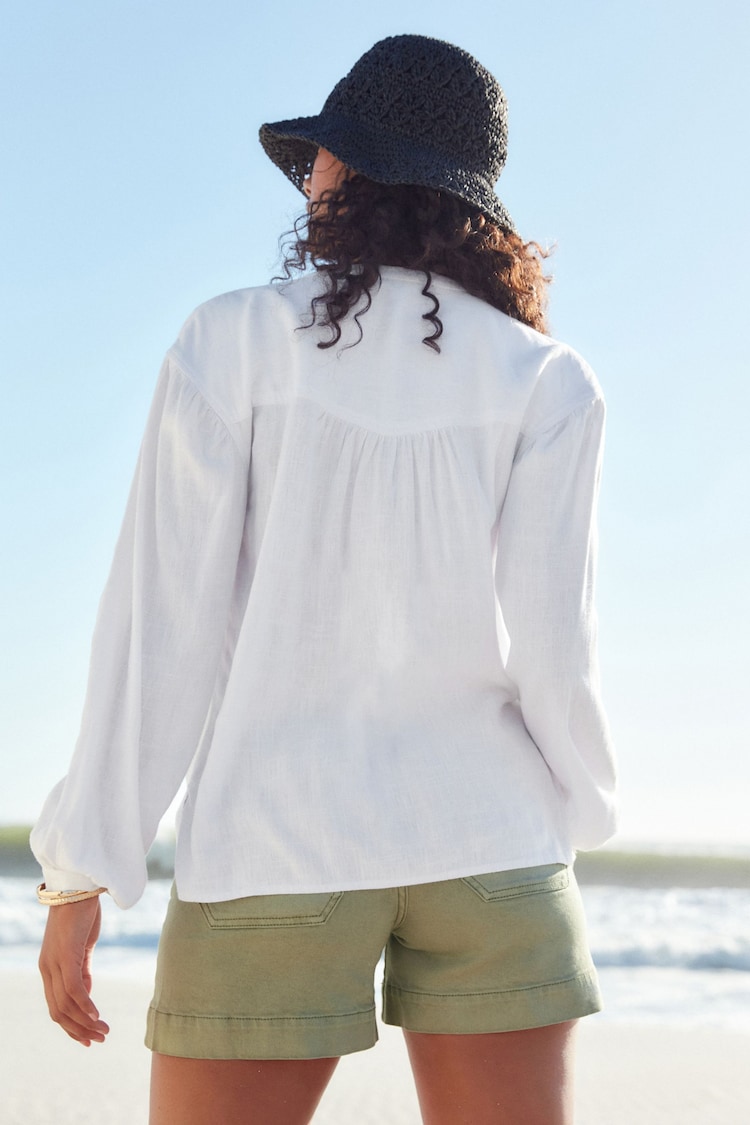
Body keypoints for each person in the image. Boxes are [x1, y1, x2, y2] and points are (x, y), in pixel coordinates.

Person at [32, 34, 617, 1125]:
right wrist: (573, 814)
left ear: (354, 173)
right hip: (495, 846)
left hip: (275, 846)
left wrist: (84, 867)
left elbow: (163, 629)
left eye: (324, 159)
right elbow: (556, 652)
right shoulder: (549, 380)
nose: (312, 181)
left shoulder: (234, 343)